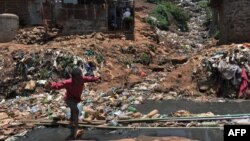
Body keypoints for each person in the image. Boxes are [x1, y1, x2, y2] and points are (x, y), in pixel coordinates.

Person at [45, 67, 100, 139]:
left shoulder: (82, 79)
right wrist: (51, 85)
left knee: (73, 110)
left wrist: (97, 78)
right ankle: (76, 129)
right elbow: (58, 85)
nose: (79, 79)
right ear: (73, 78)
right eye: (77, 78)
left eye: (80, 77)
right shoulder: (68, 82)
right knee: (76, 110)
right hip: (69, 99)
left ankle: (71, 121)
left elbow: (90, 79)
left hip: (76, 99)